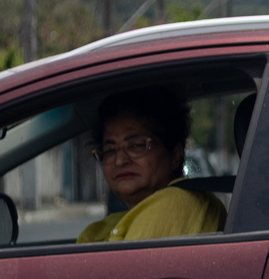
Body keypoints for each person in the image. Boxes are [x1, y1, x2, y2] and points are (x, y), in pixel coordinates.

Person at [77, 86, 227, 244]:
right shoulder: (116, 222)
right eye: (109, 150)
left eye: (136, 145)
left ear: (175, 155)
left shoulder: (176, 204)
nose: (120, 160)